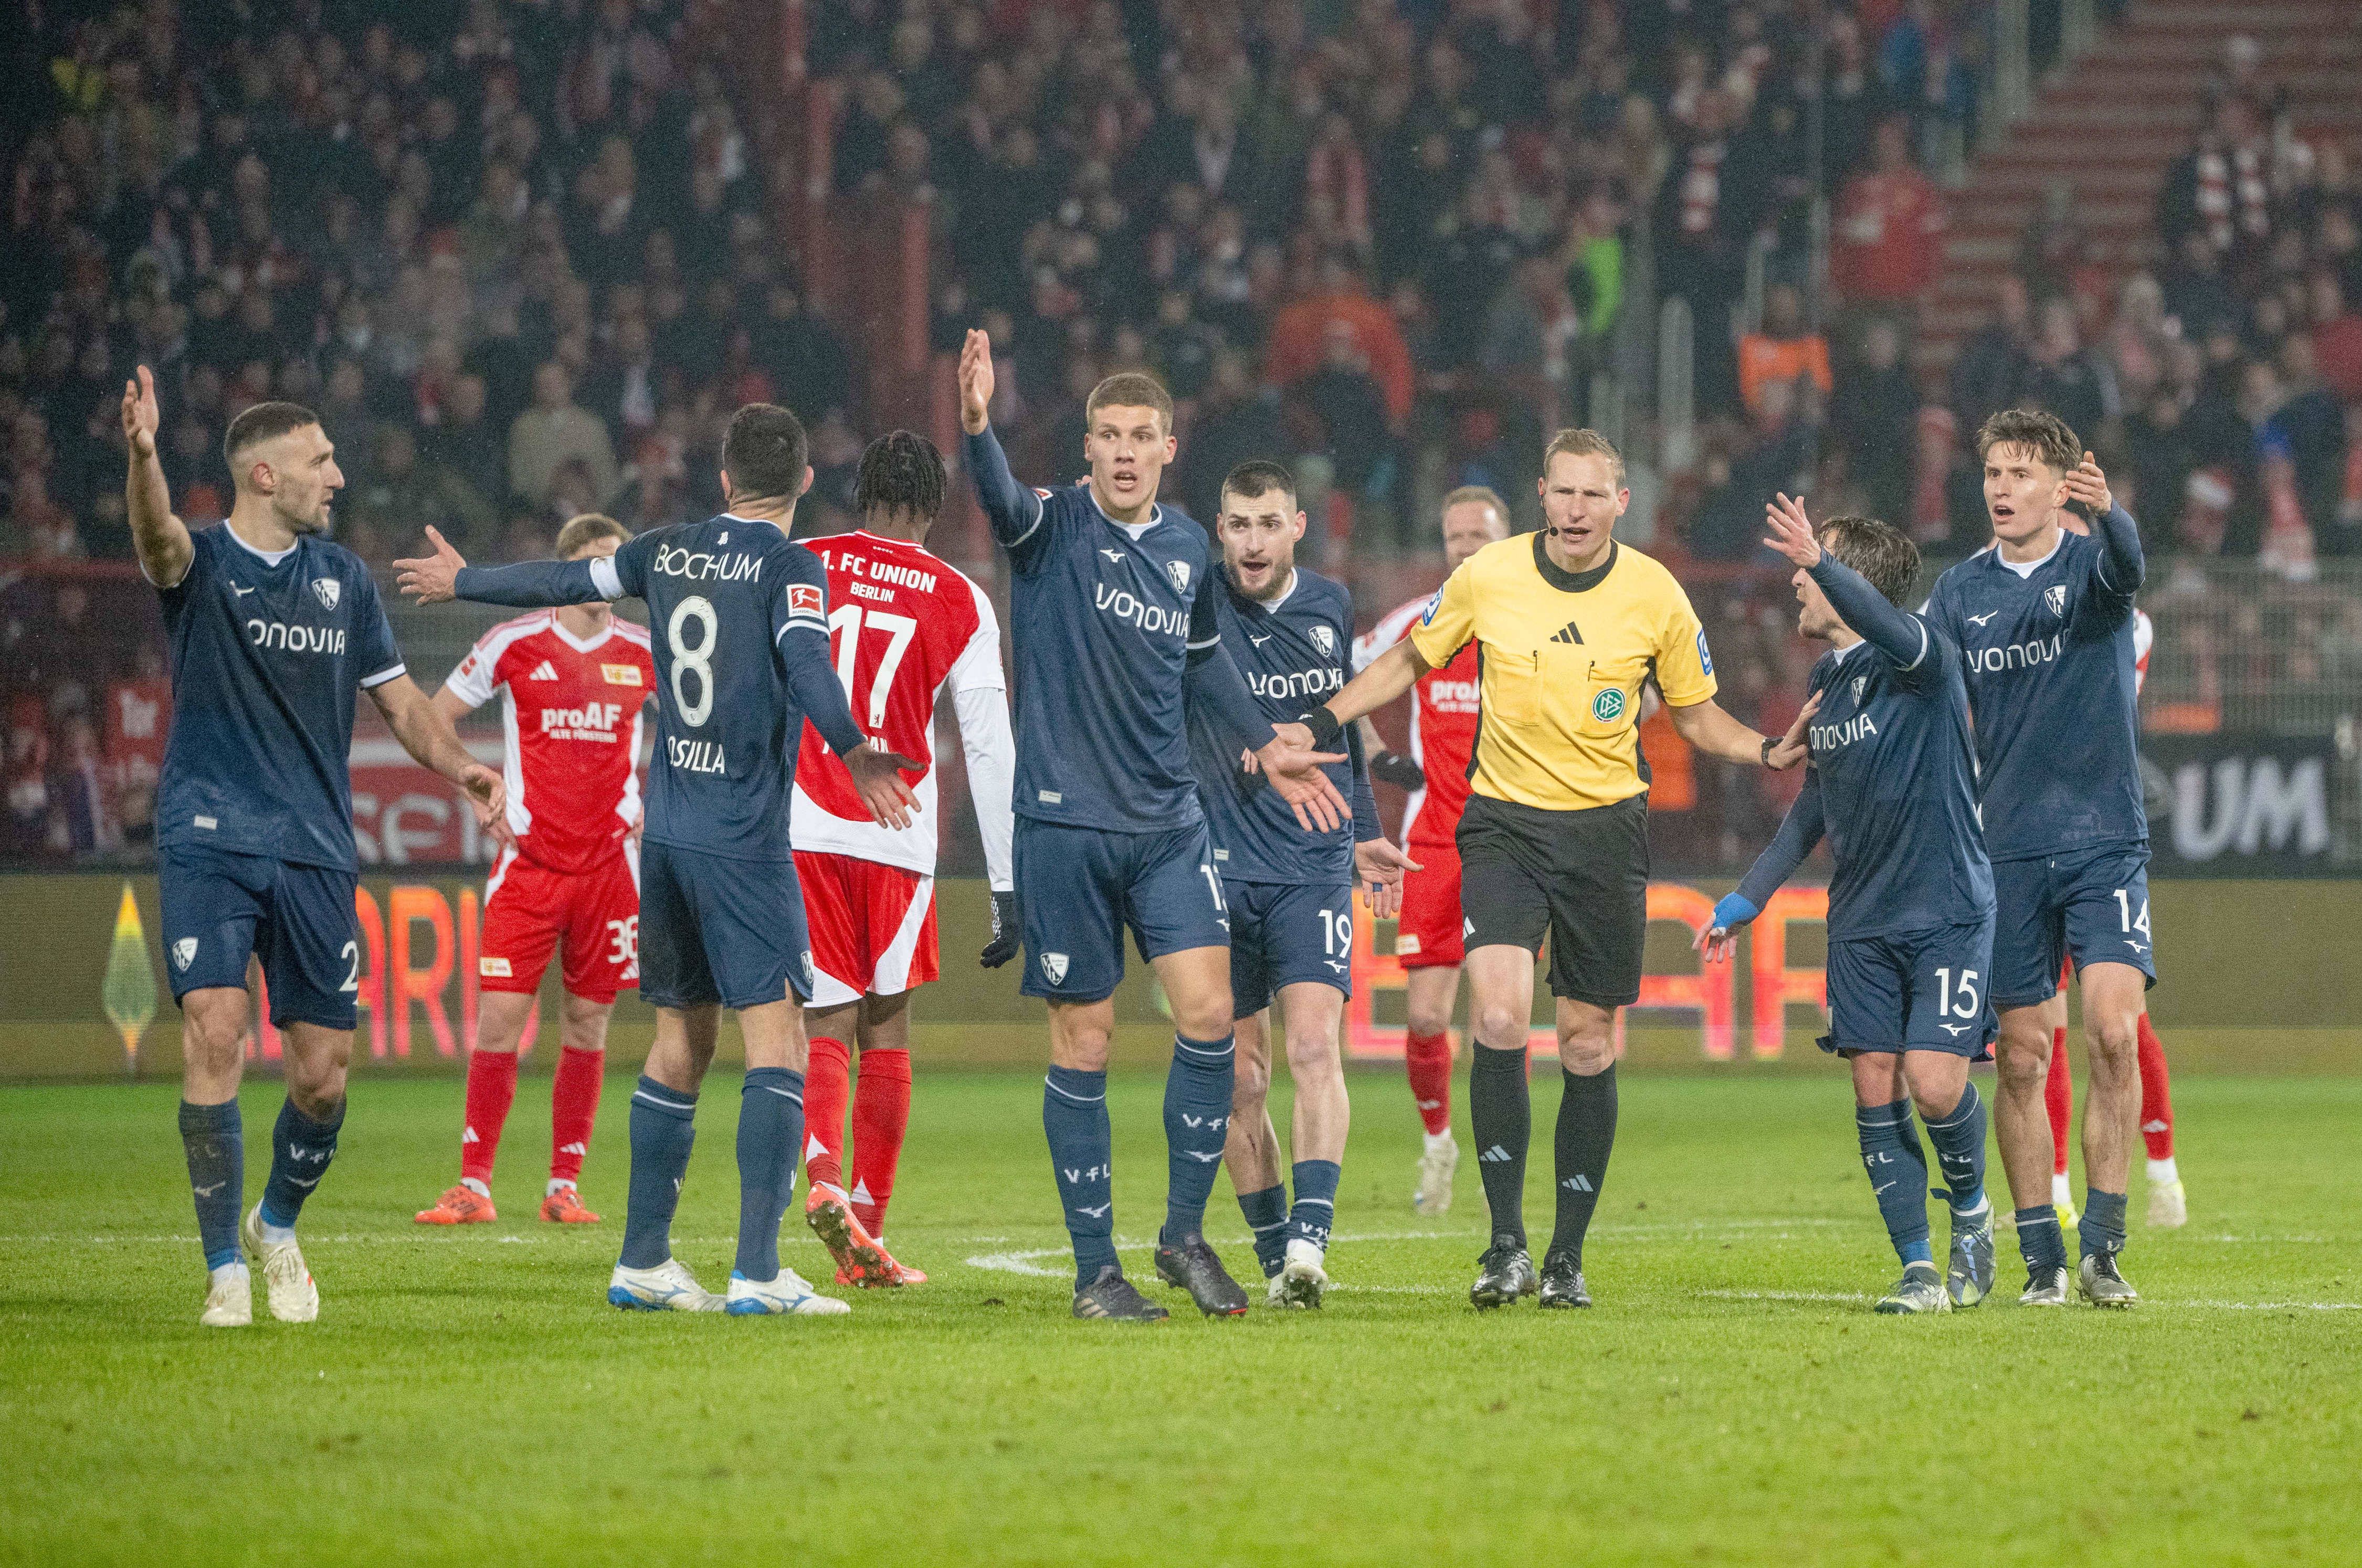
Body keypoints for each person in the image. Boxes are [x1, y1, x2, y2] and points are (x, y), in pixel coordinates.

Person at [396, 403, 921, 1318]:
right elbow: (805, 659)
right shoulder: (791, 564)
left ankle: (643, 1259)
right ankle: (758, 1271)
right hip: (743, 842)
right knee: (783, 1044)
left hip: (667, 841)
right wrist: (852, 745)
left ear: (722, 477)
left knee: (680, 1041)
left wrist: (466, 577)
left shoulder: (664, 549)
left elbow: (563, 576)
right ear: (803, 481)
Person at [1288, 428, 1810, 1309]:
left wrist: (1767, 749)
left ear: (1620, 503)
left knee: (1586, 1041)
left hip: (1604, 833)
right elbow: (1410, 657)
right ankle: (1504, 1244)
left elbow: (1697, 715)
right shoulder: (1490, 576)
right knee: (1494, 1013)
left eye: (1590, 495)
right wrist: (1323, 718)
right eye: (1560, 493)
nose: (1573, 509)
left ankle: (1567, 1256)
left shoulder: (1657, 596)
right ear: (1542, 494)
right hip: (1503, 826)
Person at [954, 330, 1350, 1321]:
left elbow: (1208, 658)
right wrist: (975, 427)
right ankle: (1097, 1271)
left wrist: (1265, 740)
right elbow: (998, 498)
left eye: (1141, 435)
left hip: (1169, 823)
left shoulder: (1184, 546)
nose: (1124, 451)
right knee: (1084, 1041)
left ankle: (1181, 1234)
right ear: (1085, 447)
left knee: (1213, 1019)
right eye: (1107, 435)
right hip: (1066, 825)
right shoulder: (1049, 525)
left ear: (1170, 449)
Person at [123, 367, 508, 1328]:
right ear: (263, 474)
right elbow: (155, 536)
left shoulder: (343, 582)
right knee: (215, 1026)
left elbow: (404, 704)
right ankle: (224, 1269)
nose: (338, 475)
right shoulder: (204, 562)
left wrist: (463, 768)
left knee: (323, 1075)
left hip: (314, 847)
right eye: (320, 459)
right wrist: (142, 459)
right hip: (209, 831)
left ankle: (277, 1224)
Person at [1699, 500, 1996, 1315]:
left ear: (1855, 583)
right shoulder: (1829, 683)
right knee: (1874, 1084)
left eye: (1816, 567)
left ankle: (1972, 1210)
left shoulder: (1925, 659)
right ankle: (1917, 1269)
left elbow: (1891, 626)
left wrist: (1823, 561)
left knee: (1936, 1085)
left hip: (1946, 912)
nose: (1799, 579)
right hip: (1862, 921)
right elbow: (1812, 812)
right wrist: (1745, 899)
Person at [1924, 410, 2150, 1308]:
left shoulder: (2089, 568)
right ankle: (2041, 1260)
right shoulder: (1958, 593)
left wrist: (2116, 517)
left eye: (2021, 472)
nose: (2002, 487)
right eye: (1992, 472)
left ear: (2063, 486)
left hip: (2103, 840)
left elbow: (2127, 569)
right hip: (2006, 847)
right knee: (2020, 1057)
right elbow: (1925, 691)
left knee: (2114, 1033)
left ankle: (2101, 1245)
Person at [789, 431, 1020, 1289]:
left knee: (823, 1023)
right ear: (936, 504)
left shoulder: (804, 559)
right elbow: (990, 747)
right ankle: (869, 1228)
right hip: (897, 837)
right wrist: (1006, 883)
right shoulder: (959, 597)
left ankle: (820, 1178)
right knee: (886, 1024)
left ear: (860, 492)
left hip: (805, 821)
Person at [1193, 460, 1411, 1308]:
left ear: (1296, 528)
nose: (1252, 541)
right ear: (1221, 528)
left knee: (1316, 1046)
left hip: (1310, 864)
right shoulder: (1194, 604)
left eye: (1267, 523)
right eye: (1238, 524)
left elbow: (1345, 730)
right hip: (1216, 864)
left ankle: (1312, 1240)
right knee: (1241, 1076)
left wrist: (1363, 831)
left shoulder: (1328, 604)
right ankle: (1274, 1249)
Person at [412, 513, 654, 1229]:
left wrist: (657, 803)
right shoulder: (514, 643)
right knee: (499, 1025)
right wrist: (474, 788)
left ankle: (563, 1185)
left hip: (612, 867)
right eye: (595, 565)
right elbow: (433, 716)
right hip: (530, 863)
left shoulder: (647, 651)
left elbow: (701, 724)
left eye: (617, 565)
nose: (607, 581)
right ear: (566, 571)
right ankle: (474, 1185)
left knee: (587, 1024)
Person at [1350, 485, 1511, 1214]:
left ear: (1506, 540)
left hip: (1512, 840)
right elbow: (1344, 675)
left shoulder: (1532, 621)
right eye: (1455, 538)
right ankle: (1438, 1143)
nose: (1466, 548)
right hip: (1433, 840)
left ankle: (1498, 1156)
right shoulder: (1419, 620)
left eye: (1478, 535)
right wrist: (1379, 754)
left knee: (1499, 1019)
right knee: (1424, 1020)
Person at [2040, 604, 2187, 1230]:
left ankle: (2161, 1174)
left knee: (2120, 1025)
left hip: (2098, 842)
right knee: (2041, 1027)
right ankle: (2054, 1191)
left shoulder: (2128, 625)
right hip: (2028, 842)